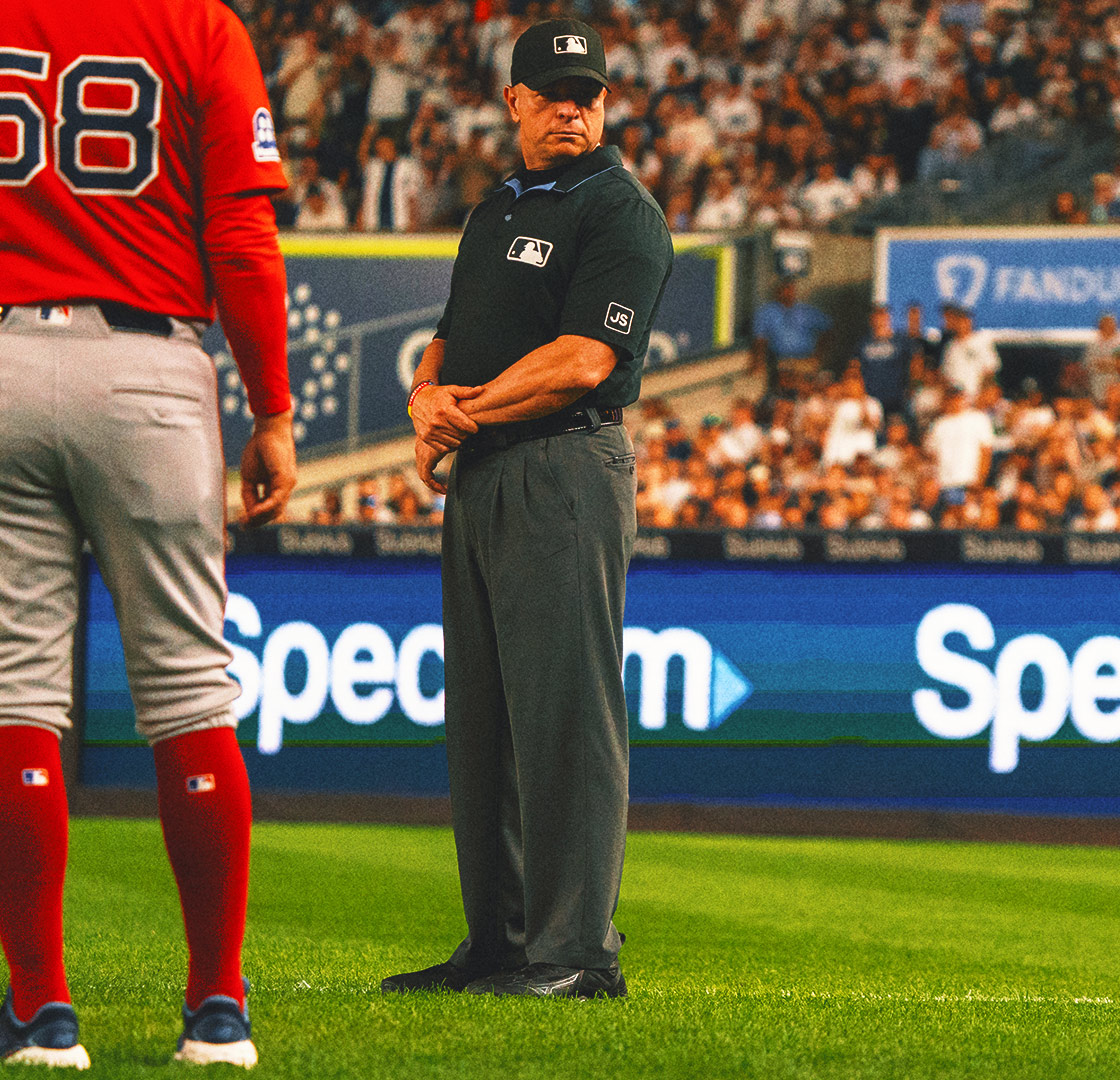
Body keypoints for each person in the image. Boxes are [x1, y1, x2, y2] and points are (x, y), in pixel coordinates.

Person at [0, 0, 296, 1066]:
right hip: (147, 364)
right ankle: (216, 1012)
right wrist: (271, 408)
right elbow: (239, 228)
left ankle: (44, 1014)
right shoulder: (197, 22)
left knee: (10, 695)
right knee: (188, 687)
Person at [389, 17, 672, 1000]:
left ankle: (577, 954)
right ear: (512, 102)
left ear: (605, 102)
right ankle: (502, 943)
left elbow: (584, 361)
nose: (571, 108)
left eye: (586, 93)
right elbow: (450, 335)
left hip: (563, 467)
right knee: (485, 721)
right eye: (552, 93)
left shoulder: (619, 209)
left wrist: (455, 412)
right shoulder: (497, 208)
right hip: (485, 471)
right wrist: (428, 399)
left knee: (564, 719)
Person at [751, 278, 830, 393]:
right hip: (781, 360)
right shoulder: (767, 312)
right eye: (784, 289)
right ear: (777, 291)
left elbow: (828, 330)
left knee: (807, 392)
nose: (787, 292)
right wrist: (758, 362)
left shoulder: (806, 310)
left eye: (790, 289)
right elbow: (760, 339)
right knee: (783, 394)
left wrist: (818, 355)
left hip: (805, 359)